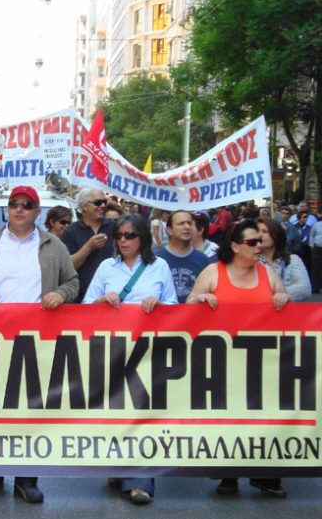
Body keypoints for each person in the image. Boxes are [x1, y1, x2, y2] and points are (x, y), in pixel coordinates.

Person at [0, 185, 78, 504]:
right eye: (14, 204)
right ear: (7, 210)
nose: (19, 208)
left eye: (27, 204)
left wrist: (61, 294)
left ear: (38, 212)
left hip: (38, 338)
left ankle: (26, 477)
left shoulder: (53, 246)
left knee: (32, 407)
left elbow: (73, 282)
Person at [186, 218, 290, 499]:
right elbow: (188, 306)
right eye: (252, 241)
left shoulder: (267, 273)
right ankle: (228, 475)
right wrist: (201, 299)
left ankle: (265, 475)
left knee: (265, 419)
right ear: (234, 246)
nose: (259, 246)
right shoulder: (213, 272)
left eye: (260, 240)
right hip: (223, 361)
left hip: (262, 361)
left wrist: (282, 298)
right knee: (229, 419)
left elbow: (284, 301)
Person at [82, 213, 176, 505]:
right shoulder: (106, 267)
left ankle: (139, 480)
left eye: (130, 235)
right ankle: (119, 467)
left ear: (143, 238)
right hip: (112, 351)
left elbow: (175, 306)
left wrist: (158, 305)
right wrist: (100, 302)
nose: (123, 241)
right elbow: (85, 307)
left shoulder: (159, 266)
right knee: (117, 412)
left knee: (141, 414)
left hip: (148, 353)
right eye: (119, 236)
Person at [61, 188, 114, 303]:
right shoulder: (71, 231)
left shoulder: (114, 227)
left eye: (104, 202)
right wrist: (88, 247)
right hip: (81, 298)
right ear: (84, 206)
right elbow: (67, 267)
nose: (103, 205)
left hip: (111, 296)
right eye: (98, 203)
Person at [156, 210, 211, 303]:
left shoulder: (203, 259)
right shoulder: (157, 259)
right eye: (181, 223)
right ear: (169, 230)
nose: (187, 227)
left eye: (189, 223)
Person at [258, 217, 311, 301]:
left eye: (264, 231)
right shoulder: (252, 262)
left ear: (276, 235)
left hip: (290, 312)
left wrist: (280, 294)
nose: (259, 235)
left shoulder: (293, 260)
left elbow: (305, 289)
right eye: (257, 231)